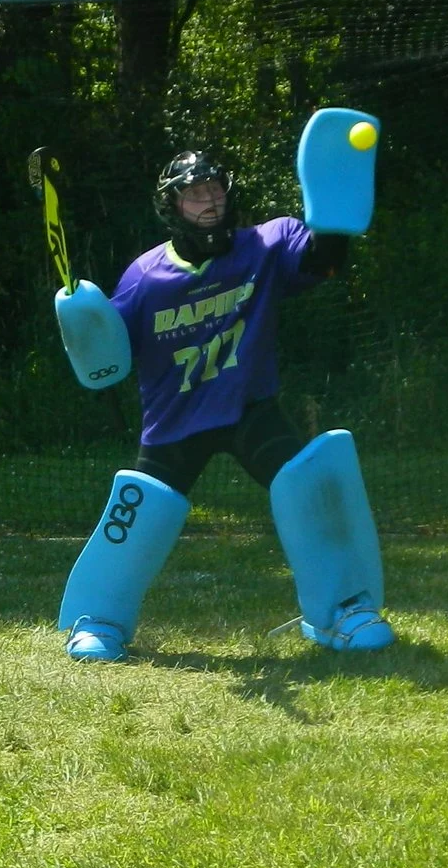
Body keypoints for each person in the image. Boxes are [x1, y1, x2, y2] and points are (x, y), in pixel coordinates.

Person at [51, 141, 396, 661]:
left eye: (214, 189)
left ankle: (342, 613)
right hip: (175, 423)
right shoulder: (145, 278)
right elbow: (106, 364)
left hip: (249, 410)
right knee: (140, 509)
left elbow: (324, 263)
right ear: (172, 206)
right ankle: (97, 618)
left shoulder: (265, 243)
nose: (208, 201)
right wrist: (81, 319)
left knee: (308, 484)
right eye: (194, 194)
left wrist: (333, 218)